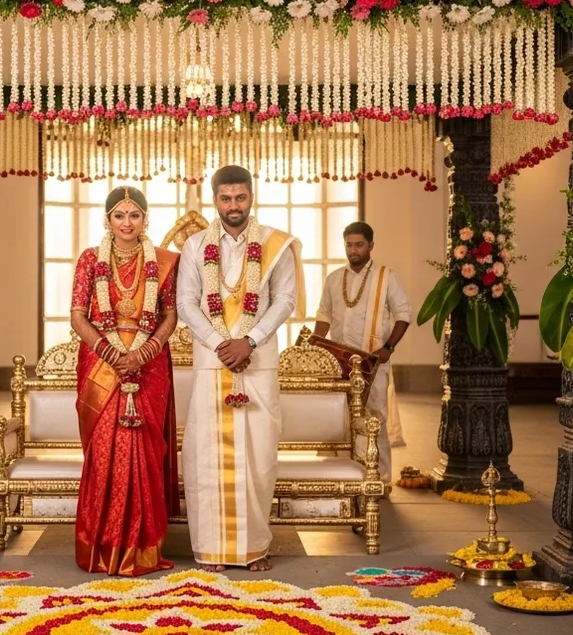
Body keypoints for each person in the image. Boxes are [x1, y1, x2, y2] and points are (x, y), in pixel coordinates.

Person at [176, 166, 301, 572]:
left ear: (251, 197)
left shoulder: (273, 244)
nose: (234, 206)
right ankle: (211, 550)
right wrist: (219, 344)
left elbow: (285, 300)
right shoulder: (195, 246)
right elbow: (185, 304)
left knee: (258, 458)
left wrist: (249, 340)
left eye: (240, 198)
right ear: (215, 200)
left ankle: (254, 549)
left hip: (258, 363)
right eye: (226, 199)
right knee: (205, 459)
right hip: (213, 365)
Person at [70, 187, 182, 576]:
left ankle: (143, 547)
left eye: (135, 215)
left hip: (149, 367)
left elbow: (170, 314)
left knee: (145, 451)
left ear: (145, 219)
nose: (127, 223)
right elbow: (77, 315)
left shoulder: (164, 263)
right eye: (120, 215)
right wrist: (111, 352)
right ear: (107, 220)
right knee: (105, 455)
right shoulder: (89, 260)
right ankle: (102, 544)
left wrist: (146, 351)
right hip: (103, 362)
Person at [314, 222, 412, 483]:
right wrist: (315, 347)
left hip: (373, 362)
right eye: (349, 244)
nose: (353, 250)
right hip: (339, 362)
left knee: (374, 418)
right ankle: (341, 476)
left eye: (359, 244)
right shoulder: (334, 278)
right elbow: (324, 314)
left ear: (371, 245)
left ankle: (378, 479)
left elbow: (403, 314)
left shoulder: (386, 275)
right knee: (339, 418)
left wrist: (388, 348)